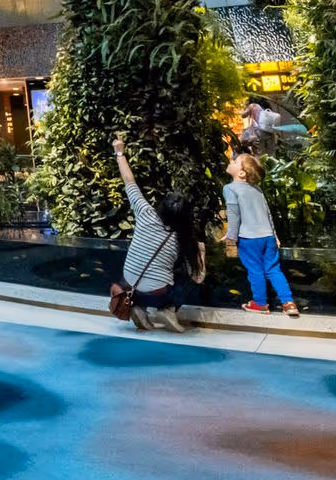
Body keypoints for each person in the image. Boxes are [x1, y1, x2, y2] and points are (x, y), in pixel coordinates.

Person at [111, 133, 203, 332]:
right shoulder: (182, 238)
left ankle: (138, 307)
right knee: (185, 276)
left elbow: (129, 180)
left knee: (141, 264)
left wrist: (120, 153)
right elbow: (196, 274)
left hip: (127, 286)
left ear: (162, 206)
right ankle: (168, 309)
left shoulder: (145, 212)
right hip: (158, 293)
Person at [223, 153, 299, 316]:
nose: (231, 161)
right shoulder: (257, 189)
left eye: (235, 161)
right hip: (268, 237)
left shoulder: (230, 188)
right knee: (273, 269)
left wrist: (231, 235)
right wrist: (275, 235)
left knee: (255, 270)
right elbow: (267, 213)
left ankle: (260, 303)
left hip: (249, 239)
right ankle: (289, 303)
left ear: (242, 173)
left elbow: (234, 214)